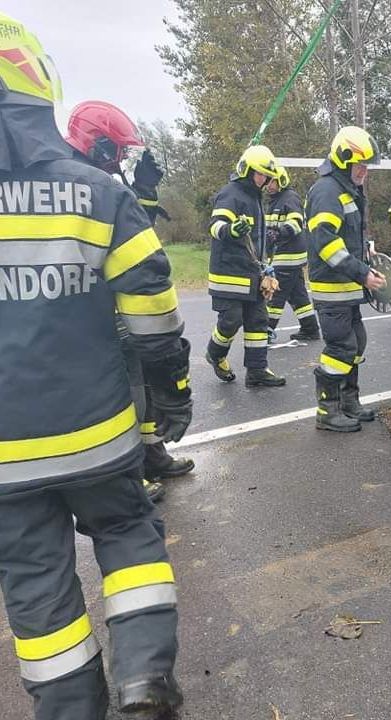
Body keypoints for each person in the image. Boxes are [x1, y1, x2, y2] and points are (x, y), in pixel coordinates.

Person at [0, 13, 190, 718]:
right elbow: (153, 314)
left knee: (35, 582)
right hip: (95, 435)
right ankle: (143, 680)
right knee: (127, 535)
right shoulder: (98, 194)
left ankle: (72, 709)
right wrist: (170, 398)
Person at [65, 100, 195, 500]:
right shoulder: (75, 186)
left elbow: (139, 228)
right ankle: (124, 473)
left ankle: (151, 455)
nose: (121, 159)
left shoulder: (104, 185)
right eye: (118, 152)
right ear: (100, 147)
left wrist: (146, 191)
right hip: (92, 316)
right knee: (121, 396)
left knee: (143, 389)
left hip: (119, 310)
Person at [305, 126, 387, 432]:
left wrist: (367, 252)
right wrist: (362, 273)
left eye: (366, 166)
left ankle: (349, 402)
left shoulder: (346, 189)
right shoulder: (327, 191)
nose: (365, 171)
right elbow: (326, 244)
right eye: (361, 165)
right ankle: (327, 410)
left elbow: (349, 235)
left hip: (346, 287)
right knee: (341, 347)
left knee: (357, 342)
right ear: (343, 161)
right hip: (331, 287)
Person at [205, 145, 287, 387]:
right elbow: (215, 226)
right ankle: (215, 354)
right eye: (261, 174)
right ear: (248, 171)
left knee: (258, 322)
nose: (265, 180)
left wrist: (266, 265)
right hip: (229, 275)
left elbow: (258, 240)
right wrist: (230, 230)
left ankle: (257, 371)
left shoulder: (255, 198)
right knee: (231, 321)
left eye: (267, 176)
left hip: (253, 274)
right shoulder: (230, 195)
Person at [264, 166, 320, 342]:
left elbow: (296, 222)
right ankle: (310, 329)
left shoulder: (290, 198)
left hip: (288, 257)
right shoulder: (272, 201)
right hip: (281, 256)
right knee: (298, 295)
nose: (269, 185)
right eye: (268, 180)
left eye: (273, 181)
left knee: (275, 294)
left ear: (281, 180)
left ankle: (265, 331)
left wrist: (279, 232)